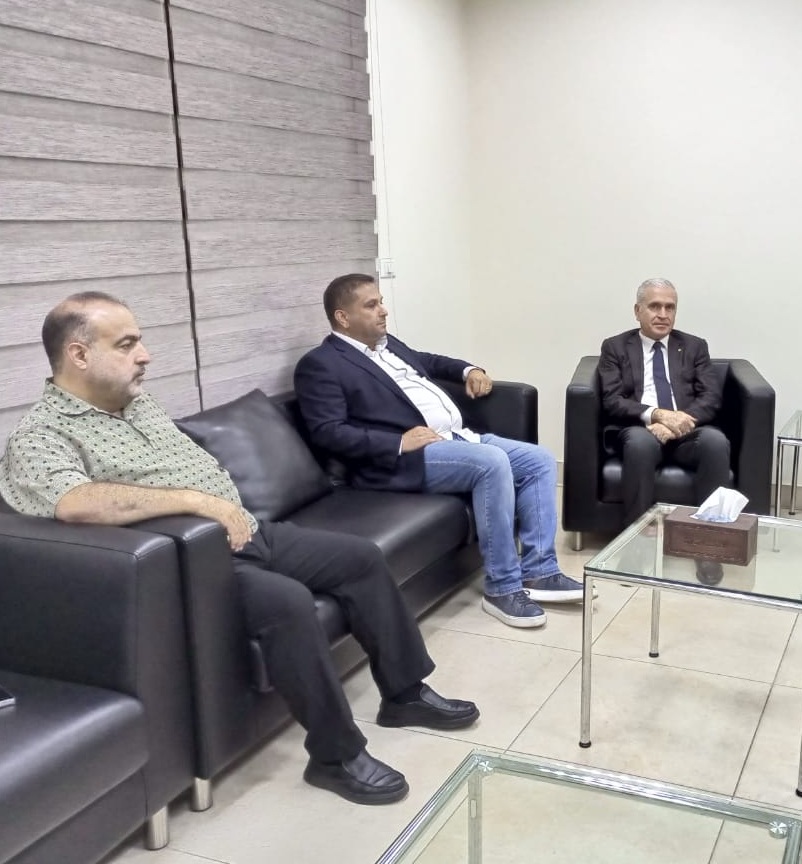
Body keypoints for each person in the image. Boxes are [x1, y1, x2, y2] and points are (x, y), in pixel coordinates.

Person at [0, 292, 479, 807]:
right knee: (288, 603)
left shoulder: (136, 402)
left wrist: (221, 506)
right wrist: (194, 501)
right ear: (78, 354)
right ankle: (335, 757)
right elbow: (75, 503)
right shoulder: (40, 436)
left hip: (248, 530)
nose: (145, 355)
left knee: (360, 558)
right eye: (127, 344)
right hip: (194, 566)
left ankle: (405, 694)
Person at [293, 274, 584, 630]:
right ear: (343, 317)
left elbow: (427, 361)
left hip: (457, 438)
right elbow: (327, 432)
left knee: (539, 460)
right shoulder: (321, 364)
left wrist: (469, 369)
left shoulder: (386, 344)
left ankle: (539, 571)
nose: (384, 310)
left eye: (381, 301)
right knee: (492, 463)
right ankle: (502, 587)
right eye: (371, 305)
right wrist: (399, 442)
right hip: (400, 460)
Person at [597, 278, 731, 582]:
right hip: (640, 428)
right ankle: (635, 545)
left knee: (715, 441)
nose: (663, 314)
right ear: (637, 311)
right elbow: (612, 400)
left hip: (686, 431)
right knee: (640, 445)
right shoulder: (615, 347)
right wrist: (656, 415)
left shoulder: (695, 346)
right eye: (654, 306)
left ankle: (707, 545)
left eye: (670, 307)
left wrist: (676, 423)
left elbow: (711, 397)